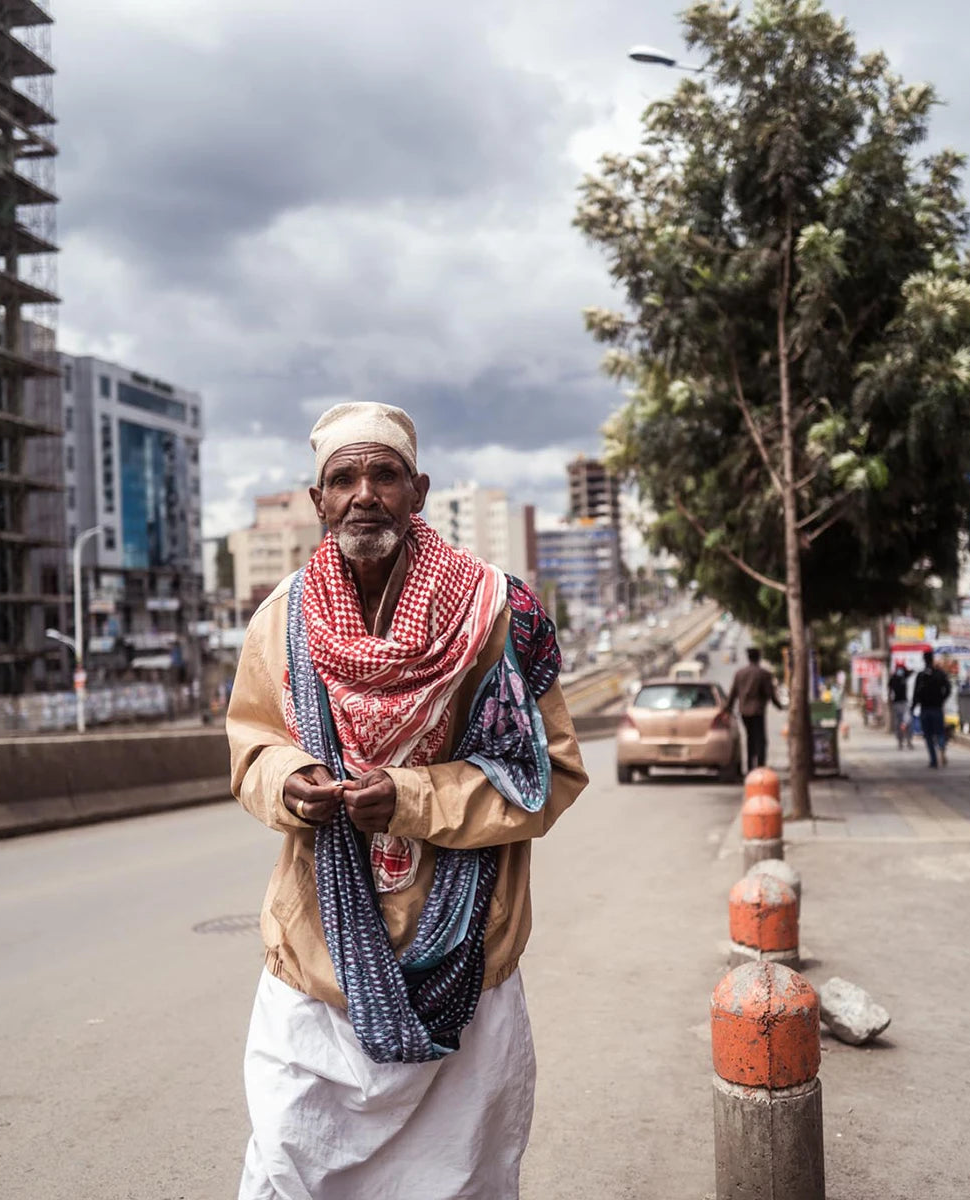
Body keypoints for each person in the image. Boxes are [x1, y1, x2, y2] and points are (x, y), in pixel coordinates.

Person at [226, 401, 589, 1200]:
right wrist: (289, 782)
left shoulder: (497, 613)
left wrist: (412, 798)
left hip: (467, 965)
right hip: (314, 963)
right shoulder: (279, 621)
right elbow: (251, 743)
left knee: (457, 1180)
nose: (364, 494)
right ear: (317, 498)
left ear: (416, 491)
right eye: (343, 478)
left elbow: (549, 772)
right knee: (291, 1161)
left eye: (383, 474)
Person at [726, 646, 783, 773]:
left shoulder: (739, 673)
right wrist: (779, 706)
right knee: (761, 739)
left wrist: (727, 709)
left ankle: (750, 767)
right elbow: (770, 693)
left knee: (750, 738)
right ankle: (760, 766)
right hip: (758, 711)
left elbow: (733, 693)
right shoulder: (764, 674)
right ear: (759, 657)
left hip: (744, 712)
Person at [912, 650, 952, 769]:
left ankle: (934, 760)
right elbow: (948, 688)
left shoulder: (921, 675)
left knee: (928, 735)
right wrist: (942, 699)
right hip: (937, 708)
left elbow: (916, 693)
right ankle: (941, 748)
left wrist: (914, 706)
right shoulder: (939, 673)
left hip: (925, 709)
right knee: (939, 732)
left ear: (924, 660)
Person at [888, 662, 913, 750]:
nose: (900, 670)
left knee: (907, 722)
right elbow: (890, 690)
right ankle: (900, 742)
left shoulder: (904, 676)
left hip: (904, 702)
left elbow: (911, 672)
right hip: (897, 703)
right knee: (899, 723)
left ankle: (908, 741)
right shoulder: (894, 678)